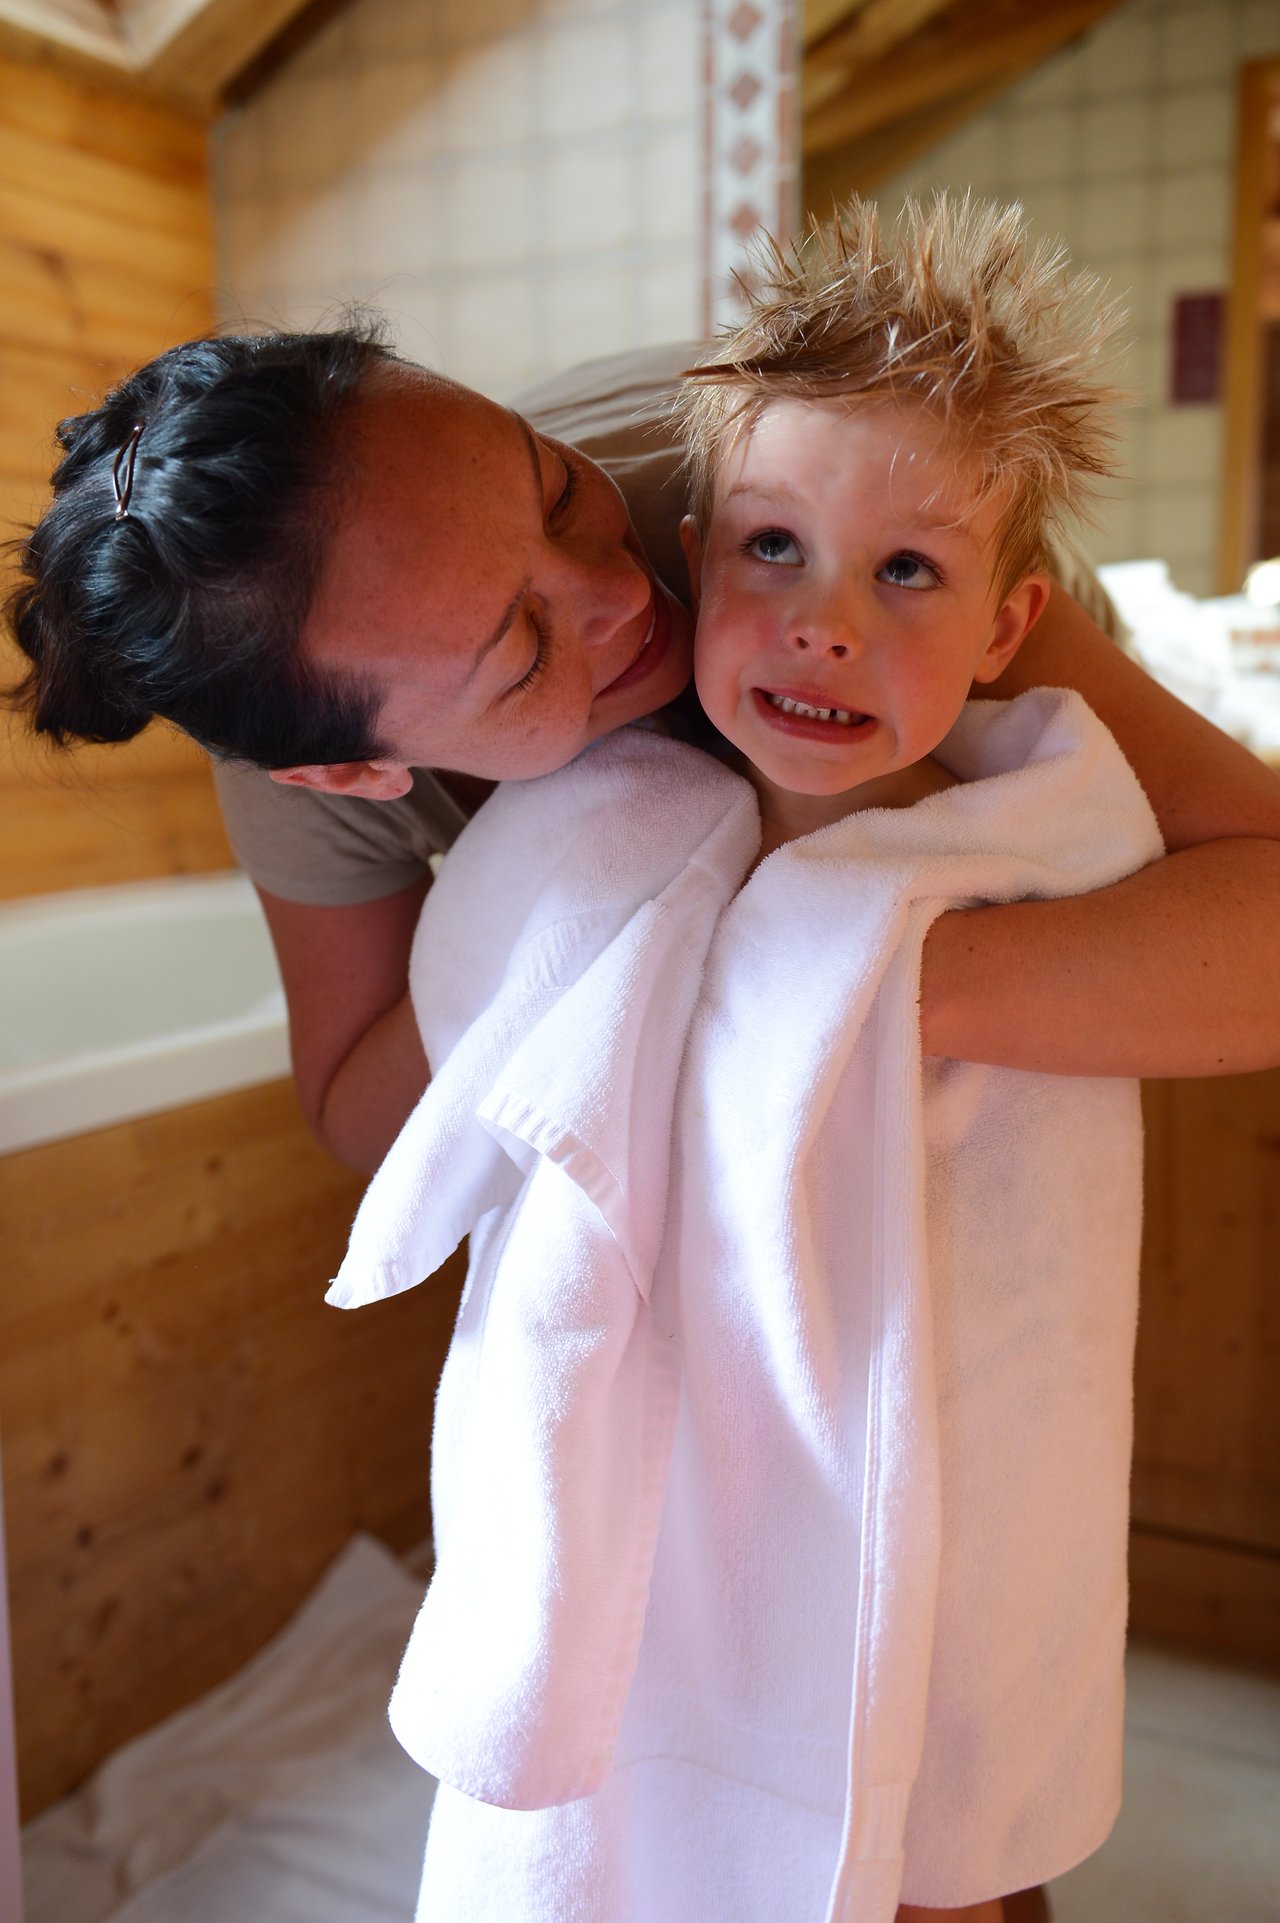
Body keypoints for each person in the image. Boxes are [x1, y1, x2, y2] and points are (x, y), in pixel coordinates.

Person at [326, 194, 1165, 1923]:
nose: (823, 621)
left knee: (947, 1846)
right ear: (700, 558)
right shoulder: (594, 836)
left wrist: (847, 972)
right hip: (683, 1496)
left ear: (1008, 627)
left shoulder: (1045, 849)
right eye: (774, 548)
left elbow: (1050, 1262)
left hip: (953, 1464)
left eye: (907, 571)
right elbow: (466, 1080)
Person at [5, 313, 1280, 1181]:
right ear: (351, 771)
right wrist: (558, 926)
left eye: (558, 490)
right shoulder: (305, 774)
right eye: (521, 648)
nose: (624, 594)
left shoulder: (786, 489)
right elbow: (356, 1115)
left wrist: (808, 977)